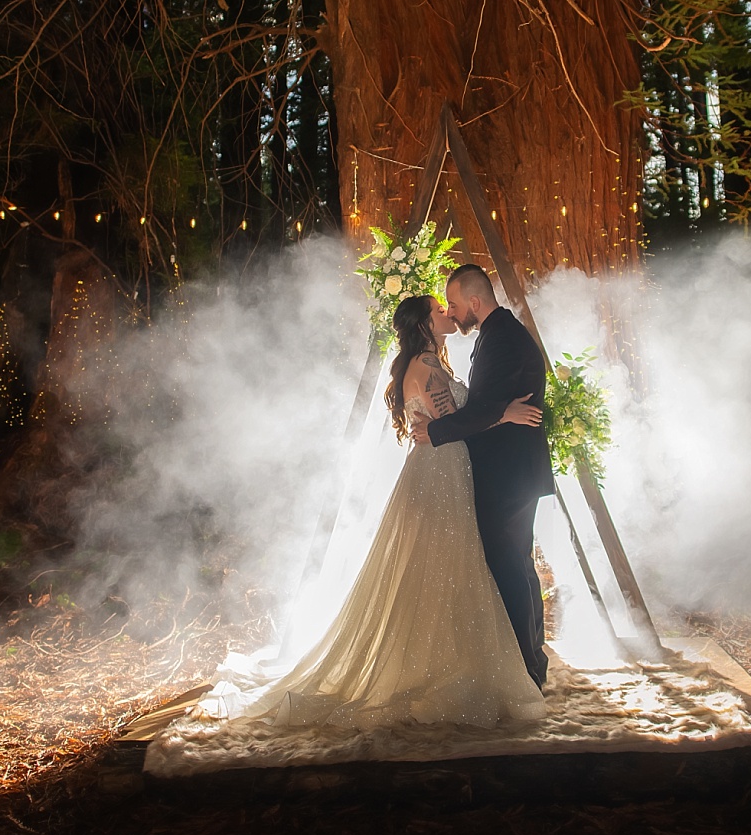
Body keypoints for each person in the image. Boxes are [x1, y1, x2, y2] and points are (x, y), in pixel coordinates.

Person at [207, 293, 546, 730]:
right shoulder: (425, 366)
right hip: (440, 472)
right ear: (425, 323)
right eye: (439, 310)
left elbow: (452, 420)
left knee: (447, 567)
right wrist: (507, 414)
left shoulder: (430, 362)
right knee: (442, 564)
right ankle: (438, 663)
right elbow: (453, 421)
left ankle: (444, 656)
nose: (448, 312)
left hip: (447, 467)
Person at [412, 263, 553, 689]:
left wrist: (434, 432)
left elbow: (481, 408)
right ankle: (531, 664)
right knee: (517, 566)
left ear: (475, 301)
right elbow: (493, 406)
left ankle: (525, 671)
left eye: (454, 304)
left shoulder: (502, 340)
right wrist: (501, 412)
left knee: (509, 568)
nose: (452, 314)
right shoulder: (497, 335)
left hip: (508, 475)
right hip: (513, 472)